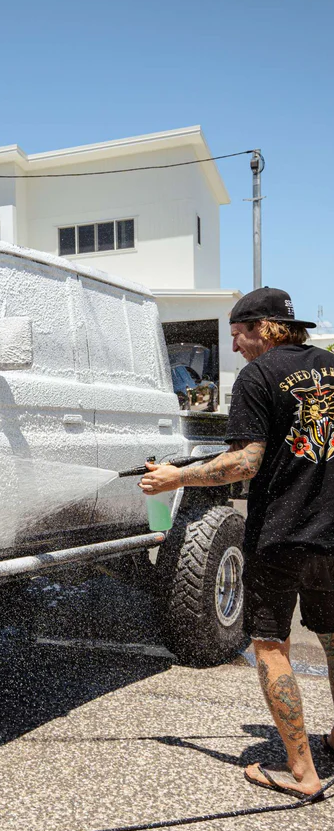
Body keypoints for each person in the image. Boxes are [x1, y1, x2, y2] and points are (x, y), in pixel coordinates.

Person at [140, 286, 334, 801]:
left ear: (262, 328)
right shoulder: (332, 367)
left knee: (270, 646)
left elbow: (245, 463)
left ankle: (302, 774)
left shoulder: (259, 376)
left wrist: (175, 478)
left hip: (283, 534)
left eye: (239, 335)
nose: (236, 347)